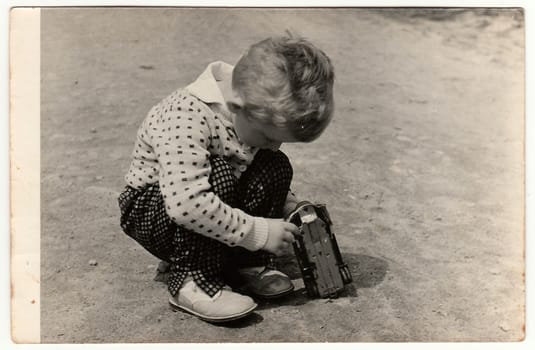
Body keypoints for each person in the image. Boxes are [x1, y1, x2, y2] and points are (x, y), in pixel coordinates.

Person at [118, 33, 335, 323]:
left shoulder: (249, 109)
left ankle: (242, 265)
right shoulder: (184, 115)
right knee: (218, 174)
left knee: (274, 164)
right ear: (236, 105)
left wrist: (288, 205)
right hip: (157, 212)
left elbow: (249, 164)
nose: (273, 144)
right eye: (269, 136)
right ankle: (191, 280)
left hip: (208, 204)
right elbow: (186, 204)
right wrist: (257, 232)